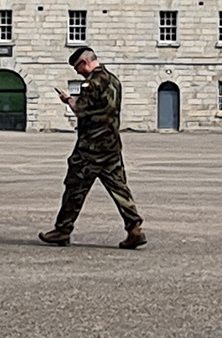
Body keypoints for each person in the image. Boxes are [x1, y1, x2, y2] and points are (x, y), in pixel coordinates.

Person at [40, 46, 146, 248]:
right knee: (119, 189)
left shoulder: (91, 84)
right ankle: (134, 229)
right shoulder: (114, 81)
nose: (77, 72)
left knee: (74, 188)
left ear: (84, 63)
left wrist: (68, 100)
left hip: (90, 149)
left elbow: (81, 110)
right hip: (112, 146)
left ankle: (62, 230)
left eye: (77, 68)